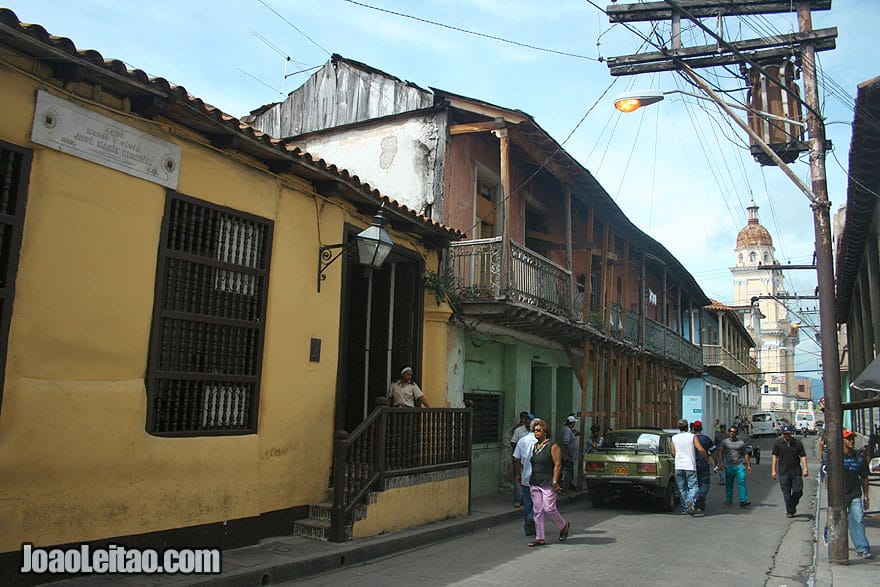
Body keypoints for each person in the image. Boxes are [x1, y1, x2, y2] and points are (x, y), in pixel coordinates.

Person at [527, 418, 570, 547]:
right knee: (537, 510)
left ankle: (563, 525)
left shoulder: (553, 446)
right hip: (535, 481)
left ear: (545, 431)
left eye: (539, 430)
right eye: (535, 431)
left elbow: (557, 465)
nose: (536, 433)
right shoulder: (535, 446)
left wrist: (555, 481)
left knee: (549, 508)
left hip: (548, 481)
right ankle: (540, 537)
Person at [842, 429, 873, 558]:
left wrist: (866, 496)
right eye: (849, 439)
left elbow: (864, 477)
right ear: (842, 441)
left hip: (855, 493)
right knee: (838, 519)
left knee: (858, 519)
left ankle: (862, 548)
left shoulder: (858, 457)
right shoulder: (836, 456)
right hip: (840, 494)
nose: (852, 441)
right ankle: (829, 535)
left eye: (853, 438)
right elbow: (828, 475)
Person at [670, 418, 710, 516]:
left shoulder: (674, 438)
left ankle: (685, 509)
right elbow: (700, 449)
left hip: (679, 466)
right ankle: (690, 500)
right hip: (690, 465)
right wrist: (707, 459)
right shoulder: (692, 437)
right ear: (688, 427)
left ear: (679, 427)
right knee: (694, 486)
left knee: (682, 488)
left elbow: (673, 452)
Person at [771, 424, 808, 518]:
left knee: (798, 491)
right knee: (786, 494)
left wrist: (805, 469)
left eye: (788, 434)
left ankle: (792, 504)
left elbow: (803, 456)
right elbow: (775, 457)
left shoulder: (797, 443)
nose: (786, 436)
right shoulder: (778, 444)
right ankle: (790, 511)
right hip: (784, 472)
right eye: (785, 434)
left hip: (796, 472)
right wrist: (773, 471)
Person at [512, 419, 538, 536]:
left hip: (526, 476)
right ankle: (530, 518)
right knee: (538, 503)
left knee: (528, 503)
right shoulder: (542, 441)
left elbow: (516, 459)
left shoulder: (522, 441)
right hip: (539, 478)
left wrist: (518, 473)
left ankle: (529, 527)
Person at [720, 425, 752, 507]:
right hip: (729, 466)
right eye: (731, 432)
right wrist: (720, 462)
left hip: (739, 466)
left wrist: (748, 465)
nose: (732, 433)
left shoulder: (741, 443)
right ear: (729, 432)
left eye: (734, 432)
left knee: (741, 482)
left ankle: (743, 500)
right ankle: (728, 499)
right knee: (729, 484)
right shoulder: (725, 442)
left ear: (736, 433)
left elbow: (745, 454)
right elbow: (720, 452)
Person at [692, 420, 720, 513]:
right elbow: (714, 452)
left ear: (692, 428)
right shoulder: (705, 439)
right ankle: (700, 496)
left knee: (695, 484)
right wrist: (715, 463)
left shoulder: (690, 438)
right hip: (703, 464)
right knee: (705, 484)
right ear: (701, 428)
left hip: (691, 465)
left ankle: (698, 504)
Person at [510, 412, 533, 508]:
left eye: (530, 420)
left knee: (529, 480)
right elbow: (513, 442)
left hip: (531, 460)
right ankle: (518, 499)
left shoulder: (534, 433)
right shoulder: (519, 431)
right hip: (520, 458)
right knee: (519, 478)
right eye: (526, 419)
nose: (528, 422)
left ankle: (527, 499)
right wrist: (520, 450)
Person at [560, 415, 580, 490]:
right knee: (567, 470)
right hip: (567, 456)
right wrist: (569, 453)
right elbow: (566, 442)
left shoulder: (566, 429)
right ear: (572, 423)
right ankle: (567, 485)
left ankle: (567, 484)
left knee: (568, 470)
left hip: (567, 455)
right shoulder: (567, 430)